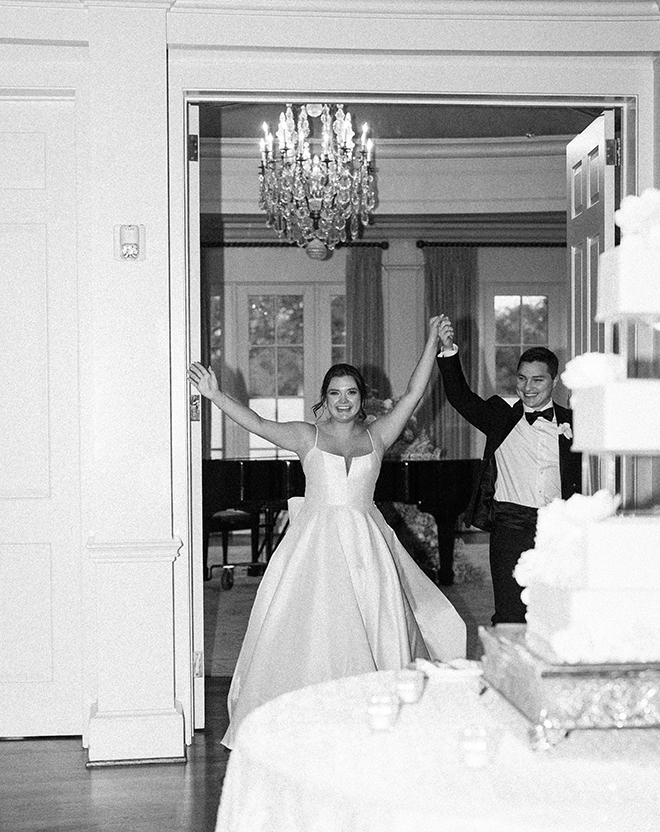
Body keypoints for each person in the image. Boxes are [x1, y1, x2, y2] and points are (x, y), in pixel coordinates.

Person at [189, 316, 466, 749]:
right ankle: (306, 716)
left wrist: (430, 340)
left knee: (375, 624)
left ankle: (373, 713)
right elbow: (258, 423)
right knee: (314, 628)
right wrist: (214, 395)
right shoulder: (307, 435)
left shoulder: (378, 435)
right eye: (335, 393)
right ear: (324, 398)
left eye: (351, 392)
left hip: (365, 547)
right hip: (315, 547)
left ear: (362, 399)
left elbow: (413, 393)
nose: (343, 400)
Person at [435, 316, 581, 626]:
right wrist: (448, 350)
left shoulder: (576, 421)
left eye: (537, 380)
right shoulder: (500, 417)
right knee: (510, 614)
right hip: (511, 526)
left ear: (554, 381)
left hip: (559, 528)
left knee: (556, 612)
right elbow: (460, 397)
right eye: (522, 378)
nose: (527, 388)